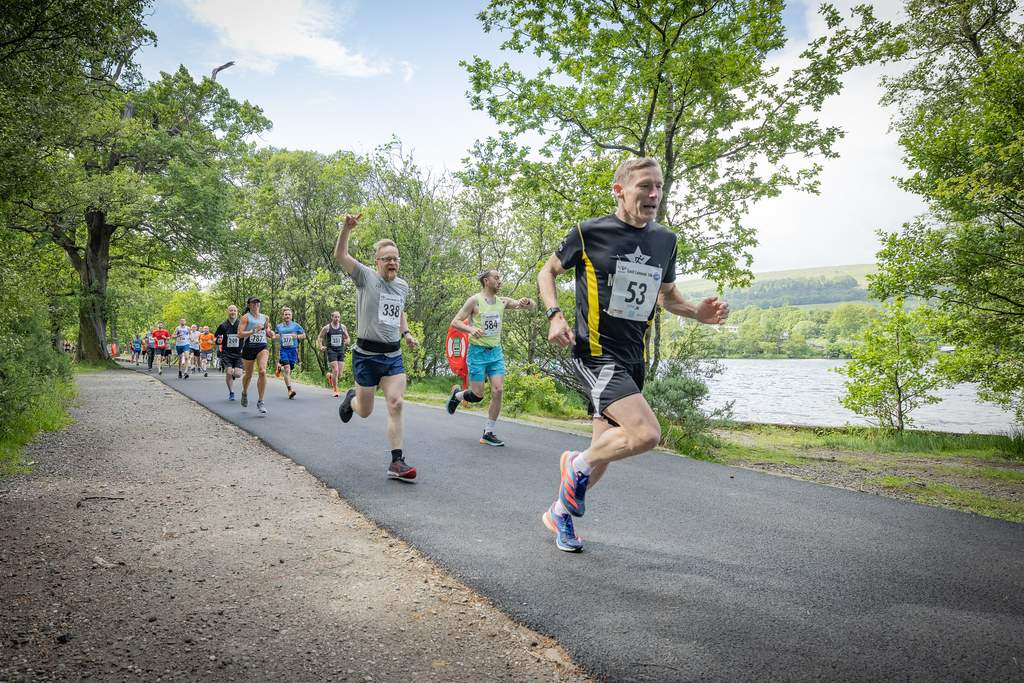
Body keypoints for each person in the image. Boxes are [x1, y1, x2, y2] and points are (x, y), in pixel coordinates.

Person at [536, 157, 730, 552]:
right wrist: (555, 316)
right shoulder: (589, 232)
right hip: (594, 351)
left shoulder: (665, 240)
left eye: (659, 186)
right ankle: (574, 464)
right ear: (620, 190)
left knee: (607, 447)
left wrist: (698, 313)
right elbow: (547, 272)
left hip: (632, 356)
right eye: (644, 186)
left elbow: (667, 296)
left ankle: (561, 513)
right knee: (645, 434)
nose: (654, 195)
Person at [333, 213, 419, 480]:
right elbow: (341, 256)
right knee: (366, 411)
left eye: (396, 258)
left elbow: (399, 311)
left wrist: (406, 333)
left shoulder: (402, 286)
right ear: (377, 262)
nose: (393, 262)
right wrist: (346, 229)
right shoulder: (366, 277)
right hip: (366, 355)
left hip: (392, 354)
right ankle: (352, 399)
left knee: (396, 402)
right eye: (388, 259)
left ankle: (396, 462)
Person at [446, 268, 536, 446]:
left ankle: (488, 432)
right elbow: (455, 322)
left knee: (498, 390)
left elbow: (530, 306)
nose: (500, 281)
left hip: (495, 353)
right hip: (477, 353)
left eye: (500, 278)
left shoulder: (502, 302)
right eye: (496, 278)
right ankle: (458, 396)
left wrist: (527, 301)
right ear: (486, 281)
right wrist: (471, 329)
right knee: (478, 395)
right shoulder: (474, 301)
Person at [237, 296, 274, 414]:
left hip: (262, 346)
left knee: (262, 371)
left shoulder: (265, 317)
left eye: (257, 302)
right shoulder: (245, 318)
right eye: (253, 303)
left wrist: (270, 333)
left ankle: (261, 401)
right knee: (248, 374)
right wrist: (254, 331)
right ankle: (244, 392)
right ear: (249, 305)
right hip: (249, 347)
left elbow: (267, 331)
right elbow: (240, 334)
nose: (256, 304)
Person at [274, 307, 306, 399]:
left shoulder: (296, 326)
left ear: (291, 316)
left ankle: (280, 368)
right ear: (282, 316)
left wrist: (297, 336)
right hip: (284, 350)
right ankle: (290, 390)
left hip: (293, 350)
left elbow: (304, 335)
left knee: (290, 370)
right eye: (285, 314)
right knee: (287, 370)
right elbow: (275, 336)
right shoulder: (279, 327)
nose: (287, 316)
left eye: (289, 314)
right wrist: (275, 336)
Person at [317, 311, 351, 398]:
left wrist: (347, 340)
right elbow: (320, 337)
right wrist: (321, 347)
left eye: (338, 317)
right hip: (331, 350)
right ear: (332, 317)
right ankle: (336, 390)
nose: (337, 319)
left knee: (339, 374)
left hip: (340, 350)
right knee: (335, 370)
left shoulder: (343, 327)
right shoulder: (327, 328)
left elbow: (347, 337)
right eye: (335, 317)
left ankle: (330, 376)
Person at [214, 305, 244, 400]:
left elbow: (247, 337)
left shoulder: (241, 324)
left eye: (234, 311)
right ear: (228, 312)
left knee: (238, 374)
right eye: (231, 310)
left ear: (237, 312)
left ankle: (233, 376)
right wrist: (217, 341)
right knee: (228, 372)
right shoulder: (223, 325)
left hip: (239, 353)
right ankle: (231, 392)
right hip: (227, 352)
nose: (232, 312)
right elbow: (215, 337)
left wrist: (245, 348)